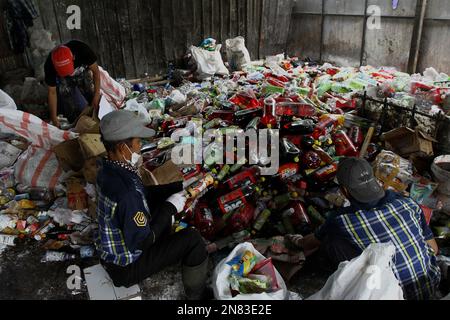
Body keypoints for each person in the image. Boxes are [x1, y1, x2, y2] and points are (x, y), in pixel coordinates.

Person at [286, 158, 441, 300]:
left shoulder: (341, 220)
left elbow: (309, 243)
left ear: (345, 191)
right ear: (374, 180)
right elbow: (434, 249)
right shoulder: (408, 203)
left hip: (391, 295)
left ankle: (349, 280)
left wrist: (295, 240)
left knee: (332, 242)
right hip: (430, 284)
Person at [95, 110, 209, 300]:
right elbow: (143, 241)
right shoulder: (126, 192)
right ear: (124, 148)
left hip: (118, 245)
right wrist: (169, 208)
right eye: (138, 142)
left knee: (166, 213)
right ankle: (198, 296)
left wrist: (180, 186)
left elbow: (144, 195)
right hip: (125, 267)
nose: (140, 147)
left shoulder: (110, 169)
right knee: (193, 238)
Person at [44, 40, 125, 128]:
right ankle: (77, 122)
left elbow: (95, 72)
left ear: (73, 57)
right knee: (75, 108)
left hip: (83, 72)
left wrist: (96, 95)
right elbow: (52, 92)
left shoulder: (82, 49)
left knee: (93, 102)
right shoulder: (49, 65)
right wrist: (54, 119)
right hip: (64, 80)